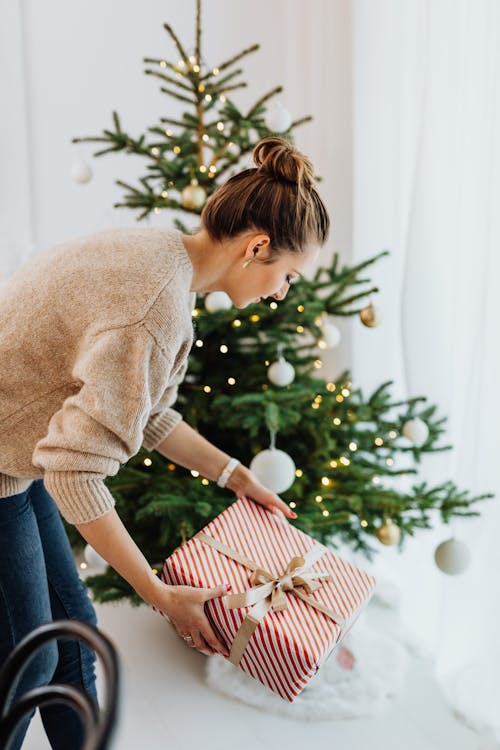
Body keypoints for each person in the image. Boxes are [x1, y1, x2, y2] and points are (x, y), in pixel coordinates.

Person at [0, 136, 330, 748]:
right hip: (5, 467)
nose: (283, 291)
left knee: (71, 636)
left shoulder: (162, 257)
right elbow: (75, 474)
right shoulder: (156, 308)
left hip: (18, 458)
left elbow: (148, 411)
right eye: (288, 274)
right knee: (30, 665)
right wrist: (158, 594)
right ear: (257, 248)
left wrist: (234, 474)